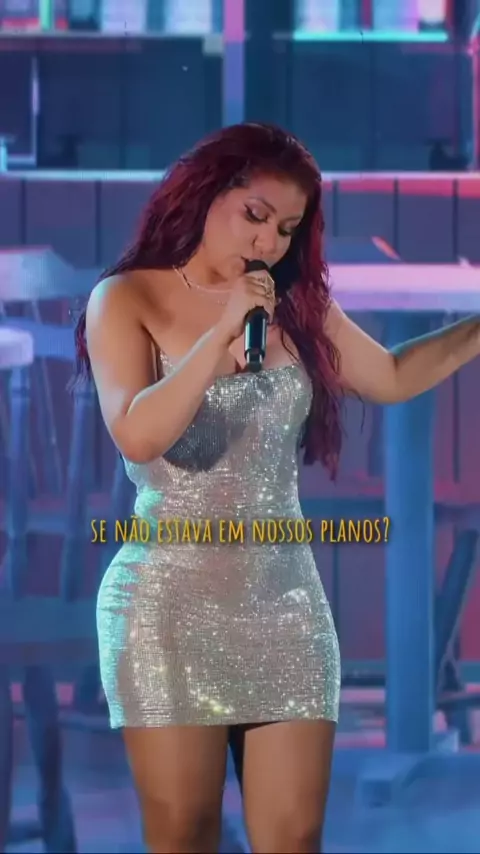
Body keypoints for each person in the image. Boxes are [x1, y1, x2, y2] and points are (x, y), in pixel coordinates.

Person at [73, 122, 480, 854]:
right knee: (185, 835)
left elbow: (390, 375)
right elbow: (137, 434)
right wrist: (220, 337)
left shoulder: (294, 303)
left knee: (294, 838)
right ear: (206, 193)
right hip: (167, 608)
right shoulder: (126, 298)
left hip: (285, 604)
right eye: (255, 216)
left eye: (287, 229)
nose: (267, 243)